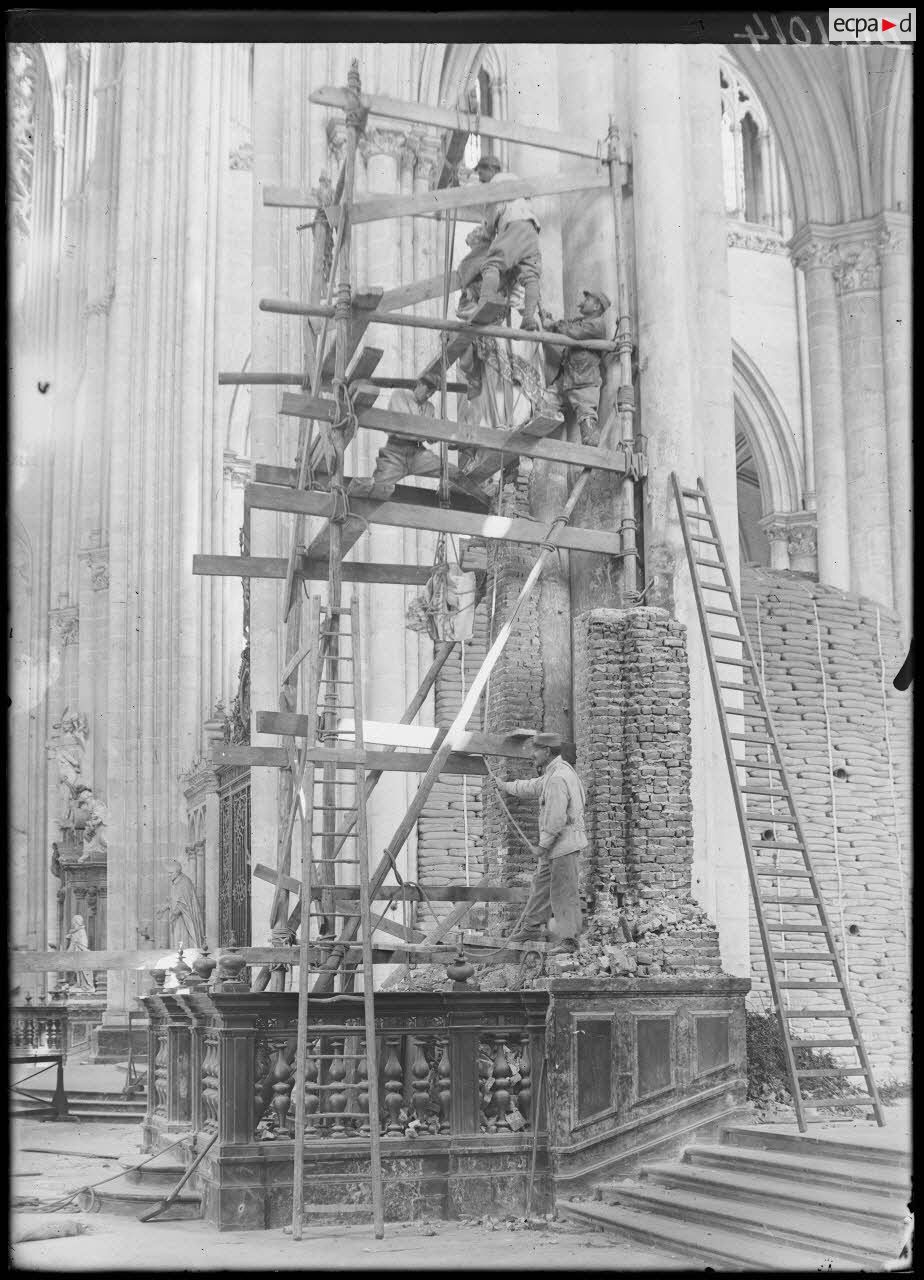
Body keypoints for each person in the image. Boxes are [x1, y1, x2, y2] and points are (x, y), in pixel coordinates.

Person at [494, 731, 588, 954]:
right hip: (556, 847)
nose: (532, 755)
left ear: (546, 751)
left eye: (535, 750)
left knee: (563, 892)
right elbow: (532, 786)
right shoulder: (555, 772)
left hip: (562, 846)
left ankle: (569, 940)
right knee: (541, 886)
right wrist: (504, 786)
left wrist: (543, 846)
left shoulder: (557, 778)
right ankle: (532, 926)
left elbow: (556, 819)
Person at [348, 384, 486, 504]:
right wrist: (428, 432)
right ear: (419, 385)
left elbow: (432, 437)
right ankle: (349, 492)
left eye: (432, 392)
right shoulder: (400, 395)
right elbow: (404, 429)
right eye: (427, 390)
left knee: (454, 473)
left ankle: (486, 500)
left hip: (418, 453)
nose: (429, 394)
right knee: (378, 487)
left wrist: (443, 431)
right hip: (396, 452)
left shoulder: (430, 407)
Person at [473, 154, 543, 331]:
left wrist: (486, 235)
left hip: (514, 225)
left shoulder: (495, 183)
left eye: (482, 177)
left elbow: (491, 217)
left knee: (491, 264)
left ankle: (485, 301)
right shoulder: (516, 179)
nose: (482, 183)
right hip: (532, 229)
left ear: (491, 170)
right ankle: (528, 318)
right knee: (531, 276)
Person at [542, 290, 611, 445]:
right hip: (568, 377)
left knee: (586, 418)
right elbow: (568, 326)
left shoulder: (597, 325)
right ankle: (530, 448)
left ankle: (591, 459)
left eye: (587, 299)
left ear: (596, 306)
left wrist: (553, 325)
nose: (583, 301)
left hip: (584, 381)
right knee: (546, 404)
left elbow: (573, 332)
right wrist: (552, 322)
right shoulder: (581, 321)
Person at [160, 859, 206, 950]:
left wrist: (174, 913)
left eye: (170, 873)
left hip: (184, 919)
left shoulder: (184, 882)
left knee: (183, 943)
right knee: (177, 943)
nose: (168, 875)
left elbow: (184, 903)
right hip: (177, 919)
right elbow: (174, 900)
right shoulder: (175, 883)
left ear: (177, 872)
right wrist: (163, 909)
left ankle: (185, 959)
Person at [65, 913, 95, 992]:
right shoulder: (74, 932)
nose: (73, 924)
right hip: (76, 953)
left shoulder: (81, 931)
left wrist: (76, 942)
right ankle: (79, 983)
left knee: (83, 970)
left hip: (81, 952)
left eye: (74, 922)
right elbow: (72, 943)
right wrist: (70, 938)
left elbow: (84, 943)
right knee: (78, 970)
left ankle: (85, 986)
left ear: (77, 922)